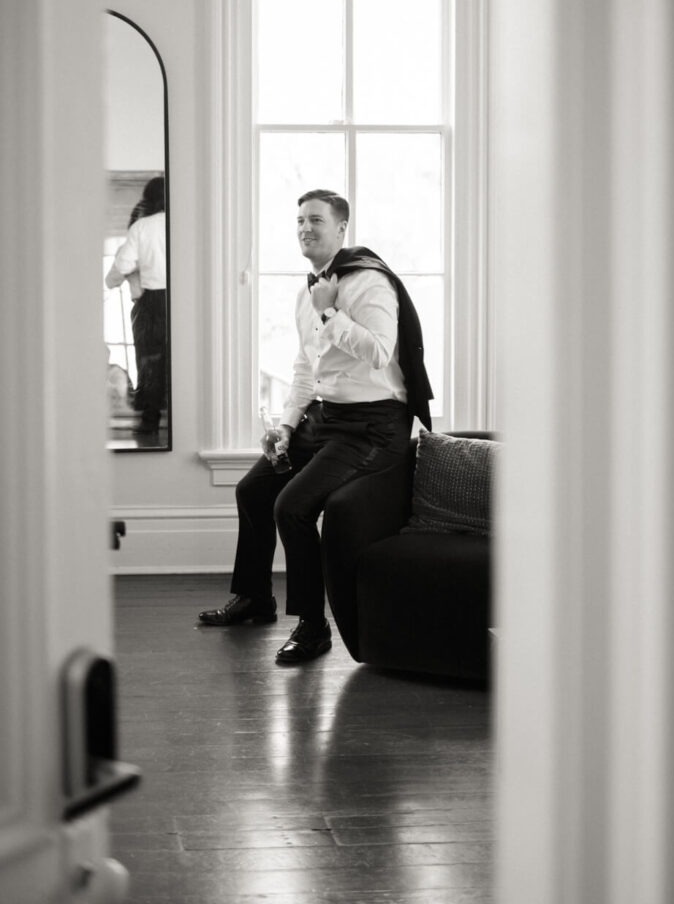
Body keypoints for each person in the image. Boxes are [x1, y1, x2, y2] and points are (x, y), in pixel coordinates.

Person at [198, 189, 433, 664]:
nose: (305, 228)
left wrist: (331, 310)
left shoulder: (368, 283)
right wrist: (286, 426)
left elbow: (380, 352)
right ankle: (254, 598)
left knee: (293, 508)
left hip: (374, 426)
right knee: (254, 491)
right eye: (300, 220)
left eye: (317, 221)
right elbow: (307, 367)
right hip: (326, 417)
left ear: (342, 228)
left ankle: (312, 626)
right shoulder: (307, 291)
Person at [106, 176, 167, 434]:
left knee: (150, 360)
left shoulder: (143, 227)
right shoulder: (185, 223)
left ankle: (150, 422)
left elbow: (121, 267)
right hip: (180, 298)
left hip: (152, 299)